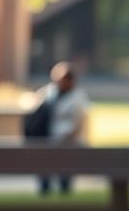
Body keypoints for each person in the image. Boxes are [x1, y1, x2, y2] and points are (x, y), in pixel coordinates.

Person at [33, 61, 89, 195]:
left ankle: (64, 188)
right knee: (45, 167)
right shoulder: (47, 93)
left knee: (65, 169)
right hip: (47, 139)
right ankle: (45, 189)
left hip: (67, 141)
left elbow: (80, 121)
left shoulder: (78, 97)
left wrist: (70, 135)